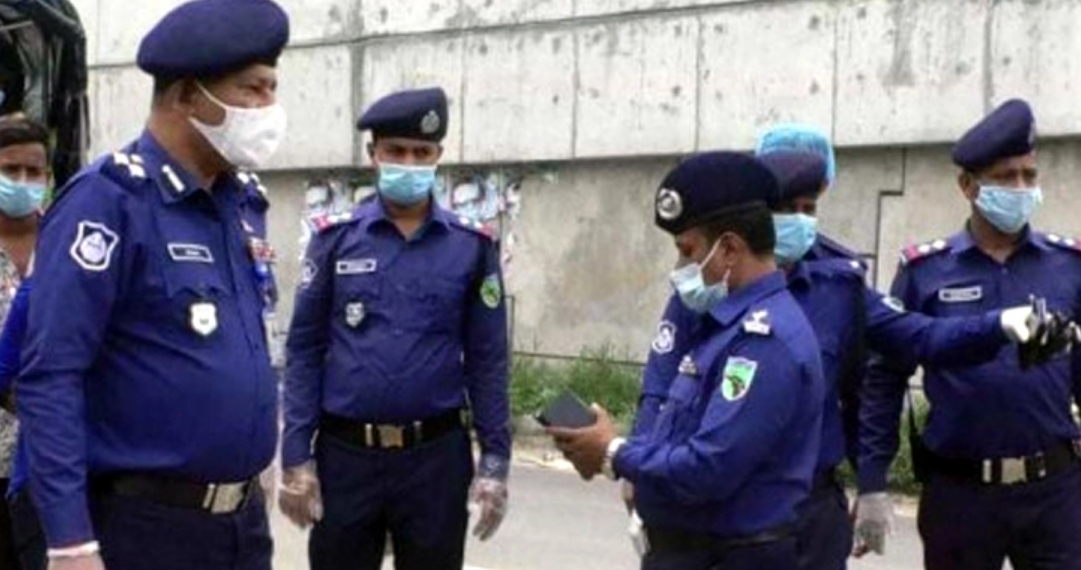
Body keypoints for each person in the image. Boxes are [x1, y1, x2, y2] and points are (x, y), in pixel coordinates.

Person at [628, 125, 1063, 570]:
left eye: (809, 208)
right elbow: (660, 388)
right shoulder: (708, 284)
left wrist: (999, 324)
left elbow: (916, 339)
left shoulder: (838, 284)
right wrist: (639, 476)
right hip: (721, 506)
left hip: (813, 507)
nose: (800, 222)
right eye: (786, 209)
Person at [15, 0, 289, 569]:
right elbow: (50, 376)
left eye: (272, 90)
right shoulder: (109, 201)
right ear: (187, 95)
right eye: (252, 90)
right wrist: (70, 542)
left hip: (240, 525)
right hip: (144, 526)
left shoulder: (240, 203)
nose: (269, 108)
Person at [550, 151, 825, 569]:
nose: (680, 268)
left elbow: (709, 467)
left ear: (729, 248)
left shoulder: (764, 340)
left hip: (731, 556)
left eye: (688, 251)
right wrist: (610, 452)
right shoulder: (724, 326)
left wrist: (614, 450)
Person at [280, 86, 510, 570]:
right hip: (347, 457)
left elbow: (488, 360)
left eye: (421, 153)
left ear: (438, 157)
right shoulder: (334, 239)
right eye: (396, 151)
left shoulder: (471, 246)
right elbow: (304, 349)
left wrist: (495, 459)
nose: (409, 163)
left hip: (435, 461)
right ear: (374, 155)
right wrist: (296, 454)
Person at [856, 99, 1081, 569]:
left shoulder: (1068, 265)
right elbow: (885, 379)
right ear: (968, 185)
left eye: (1029, 175)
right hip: (960, 494)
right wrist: (873, 481)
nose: (1021, 188)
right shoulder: (925, 271)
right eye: (1005, 177)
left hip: (1055, 492)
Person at [0, 114, 47, 569]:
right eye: (10, 170)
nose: (22, 181)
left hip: (50, 466)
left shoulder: (70, 243)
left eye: (34, 171)